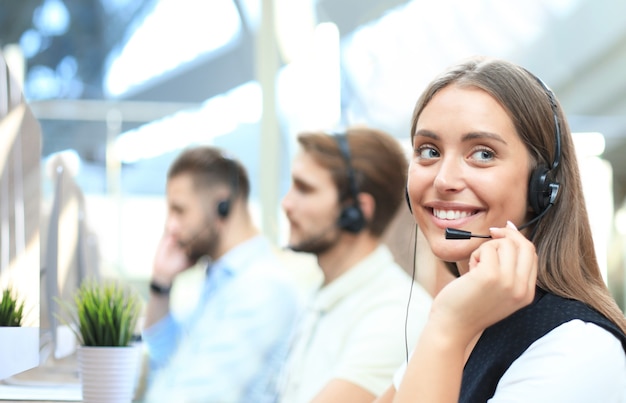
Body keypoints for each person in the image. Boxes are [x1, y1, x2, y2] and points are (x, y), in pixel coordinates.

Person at [376, 56, 626, 403]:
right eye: (429, 151)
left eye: (482, 154)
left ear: (542, 187)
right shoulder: (463, 315)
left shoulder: (576, 347)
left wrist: (447, 330)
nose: (444, 179)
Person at [277, 127, 433, 403]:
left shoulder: (394, 314)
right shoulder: (322, 294)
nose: (287, 204)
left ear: (356, 211)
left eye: (305, 189)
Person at [141, 146, 302, 402]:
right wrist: (161, 283)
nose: (170, 226)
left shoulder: (261, 287)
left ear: (222, 206)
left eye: (179, 210)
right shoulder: (220, 279)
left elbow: (198, 396)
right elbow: (166, 359)